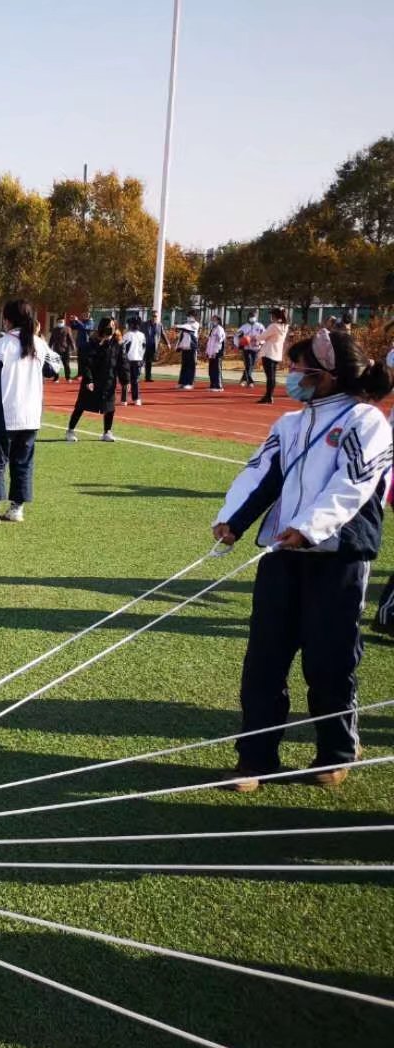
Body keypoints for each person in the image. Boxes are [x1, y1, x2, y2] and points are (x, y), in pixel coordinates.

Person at [213, 329, 393, 791]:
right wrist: (232, 519)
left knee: (329, 661)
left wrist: (310, 527)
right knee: (264, 660)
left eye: (302, 368)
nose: (293, 375)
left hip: (338, 559)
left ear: (330, 376)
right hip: (281, 554)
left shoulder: (365, 421)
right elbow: (260, 474)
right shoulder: (289, 425)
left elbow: (352, 484)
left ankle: (334, 752)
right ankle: (255, 758)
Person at [0, 299, 60, 525]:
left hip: (5, 413)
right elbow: (55, 366)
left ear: (7, 320)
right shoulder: (38, 343)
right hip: (32, 415)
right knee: (23, 461)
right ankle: (17, 508)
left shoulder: (2, 345)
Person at [66, 317, 120, 442]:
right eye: (108, 326)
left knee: (110, 407)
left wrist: (126, 379)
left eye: (113, 325)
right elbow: (86, 364)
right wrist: (89, 380)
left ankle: (107, 432)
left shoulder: (115, 344)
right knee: (81, 406)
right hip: (92, 381)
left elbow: (121, 362)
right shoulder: (91, 344)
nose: (111, 329)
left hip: (108, 381)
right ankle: (70, 430)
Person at [256, 308, 290, 404]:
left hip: (268, 352)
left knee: (269, 377)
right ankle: (269, 395)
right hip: (277, 353)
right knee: (272, 376)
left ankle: (268, 396)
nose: (270, 316)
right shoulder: (285, 326)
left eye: (272, 315)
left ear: (275, 316)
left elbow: (262, 336)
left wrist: (254, 338)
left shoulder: (273, 326)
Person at [119, 316, 146, 406]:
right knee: (135, 380)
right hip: (138, 360)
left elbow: (123, 348)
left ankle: (124, 400)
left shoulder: (127, 335)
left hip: (128, 360)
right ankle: (136, 399)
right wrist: (142, 360)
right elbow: (144, 348)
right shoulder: (142, 335)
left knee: (126, 381)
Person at [236, 311, 265, 387]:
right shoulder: (244, 327)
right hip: (246, 348)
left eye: (254, 316)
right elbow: (236, 336)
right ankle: (250, 382)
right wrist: (239, 344)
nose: (252, 318)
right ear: (248, 317)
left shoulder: (260, 326)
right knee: (248, 363)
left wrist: (260, 342)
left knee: (251, 365)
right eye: (251, 316)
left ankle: (244, 379)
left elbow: (264, 336)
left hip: (256, 348)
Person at [174, 315, 200, 389]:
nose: (189, 317)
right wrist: (178, 346)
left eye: (190, 316)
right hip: (185, 348)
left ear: (194, 317)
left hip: (192, 348)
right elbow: (181, 337)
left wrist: (178, 326)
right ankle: (182, 382)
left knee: (191, 366)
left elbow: (188, 328)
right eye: (188, 316)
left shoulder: (196, 324)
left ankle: (190, 383)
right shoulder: (186, 324)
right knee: (184, 366)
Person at [48, 317, 76, 383]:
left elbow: (71, 339)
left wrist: (73, 347)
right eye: (59, 322)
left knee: (66, 364)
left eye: (62, 321)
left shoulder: (67, 329)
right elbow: (51, 340)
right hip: (56, 349)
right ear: (57, 322)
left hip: (66, 349)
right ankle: (56, 378)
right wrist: (48, 348)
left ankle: (68, 377)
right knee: (56, 364)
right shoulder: (54, 330)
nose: (60, 323)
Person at [204, 315, 227, 392]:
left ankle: (218, 386)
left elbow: (219, 342)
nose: (213, 321)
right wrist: (207, 352)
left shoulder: (220, 329)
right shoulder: (213, 329)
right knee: (211, 370)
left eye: (214, 320)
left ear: (218, 320)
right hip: (211, 353)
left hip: (217, 352)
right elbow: (209, 342)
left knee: (217, 369)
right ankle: (212, 385)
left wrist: (215, 352)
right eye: (212, 320)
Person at [142, 313, 162, 381]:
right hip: (144, 345)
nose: (154, 317)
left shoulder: (159, 325)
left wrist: (168, 343)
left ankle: (148, 377)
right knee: (140, 361)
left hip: (152, 346)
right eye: (153, 316)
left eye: (155, 316)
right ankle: (135, 376)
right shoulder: (145, 324)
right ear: (151, 316)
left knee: (149, 362)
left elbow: (163, 334)